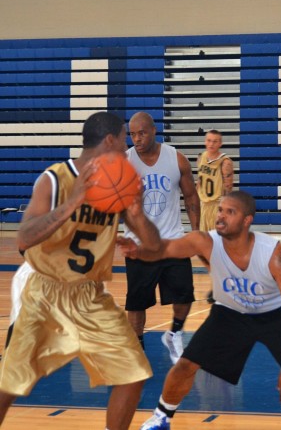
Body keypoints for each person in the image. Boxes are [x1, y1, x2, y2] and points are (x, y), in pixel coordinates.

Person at [118, 191, 281, 430]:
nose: (221, 216)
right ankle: (161, 416)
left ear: (247, 220)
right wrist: (139, 252)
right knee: (186, 364)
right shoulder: (206, 241)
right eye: (220, 210)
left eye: (230, 212)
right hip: (230, 314)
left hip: (276, 314)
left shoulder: (274, 254)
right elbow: (165, 248)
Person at [0, 111, 162, 430]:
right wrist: (71, 204)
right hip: (45, 290)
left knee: (134, 374)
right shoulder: (55, 178)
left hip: (90, 295)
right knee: (11, 381)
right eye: (124, 139)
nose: (128, 147)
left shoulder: (119, 181)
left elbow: (154, 246)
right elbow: (24, 238)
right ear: (110, 140)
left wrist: (138, 214)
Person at [124, 111, 200, 364]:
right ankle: (138, 351)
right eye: (132, 134)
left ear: (154, 131)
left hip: (172, 241)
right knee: (136, 304)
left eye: (142, 133)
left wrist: (196, 233)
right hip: (139, 245)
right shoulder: (124, 163)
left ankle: (174, 333)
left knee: (185, 297)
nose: (137, 139)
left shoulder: (175, 158)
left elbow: (191, 197)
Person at [195, 129, 234, 304]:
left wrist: (225, 214)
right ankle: (221, 279)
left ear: (220, 143)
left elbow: (228, 189)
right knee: (201, 250)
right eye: (209, 140)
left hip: (217, 207)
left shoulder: (225, 162)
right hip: (204, 207)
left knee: (217, 251)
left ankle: (221, 286)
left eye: (215, 141)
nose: (211, 144)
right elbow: (200, 182)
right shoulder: (201, 157)